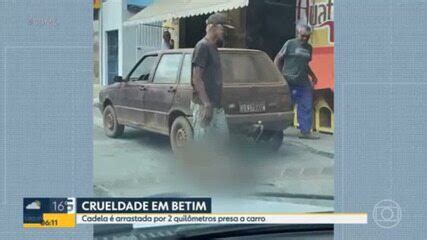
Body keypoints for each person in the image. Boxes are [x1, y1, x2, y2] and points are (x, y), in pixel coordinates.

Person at [191, 13, 234, 140]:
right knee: (203, 144)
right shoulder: (202, 46)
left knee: (221, 141)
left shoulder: (213, 47)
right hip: (204, 105)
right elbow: (196, 78)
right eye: (223, 28)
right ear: (212, 27)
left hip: (216, 105)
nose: (224, 32)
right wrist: (207, 104)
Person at [274, 23, 319, 139]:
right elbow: (278, 58)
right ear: (298, 33)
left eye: (307, 36)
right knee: (285, 106)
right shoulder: (290, 43)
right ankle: (277, 129)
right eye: (303, 36)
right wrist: (277, 75)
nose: (305, 38)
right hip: (289, 80)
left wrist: (313, 75)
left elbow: (305, 64)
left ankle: (305, 132)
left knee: (306, 105)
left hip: (303, 81)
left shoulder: (309, 48)